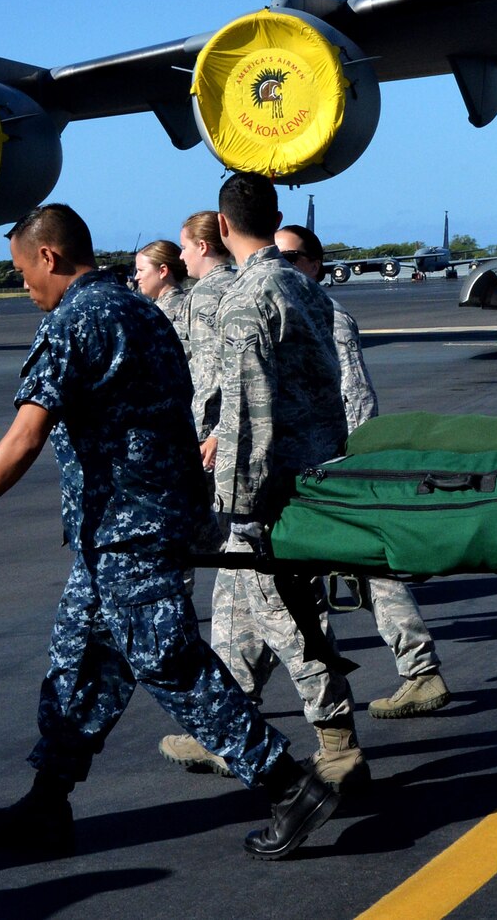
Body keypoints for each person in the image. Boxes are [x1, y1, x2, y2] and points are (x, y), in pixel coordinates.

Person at [0, 203, 335, 860]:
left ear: (48, 258)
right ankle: (47, 804)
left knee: (168, 660)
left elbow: (26, 435)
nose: (25, 286)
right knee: (79, 659)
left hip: (130, 530)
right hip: (129, 527)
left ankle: (285, 784)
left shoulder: (78, 320)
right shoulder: (142, 311)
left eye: (23, 272)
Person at [156, 174, 369, 791]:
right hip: (316, 476)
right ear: (272, 219)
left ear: (222, 227)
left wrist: (231, 507)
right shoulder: (305, 291)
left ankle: (338, 746)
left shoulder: (249, 301)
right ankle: (226, 730)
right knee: (236, 613)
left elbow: (246, 416)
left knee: (289, 617)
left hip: (272, 494)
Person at [280, 222, 454, 718]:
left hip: (331, 471)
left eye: (292, 258)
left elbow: (356, 397)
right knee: (356, 573)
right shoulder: (289, 308)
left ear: (314, 264)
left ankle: (236, 716)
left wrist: (350, 470)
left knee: (285, 586)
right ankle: (420, 671)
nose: (284, 266)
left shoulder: (327, 314)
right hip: (311, 470)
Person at [177, 211, 237, 440]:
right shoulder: (238, 282)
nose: (181, 256)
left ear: (202, 247)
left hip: (212, 426)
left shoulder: (204, 294)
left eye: (184, 247)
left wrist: (205, 433)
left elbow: (209, 371)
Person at [134, 240, 189, 328]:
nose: (136, 277)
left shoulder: (157, 314)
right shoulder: (190, 305)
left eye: (141, 270)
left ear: (162, 271)